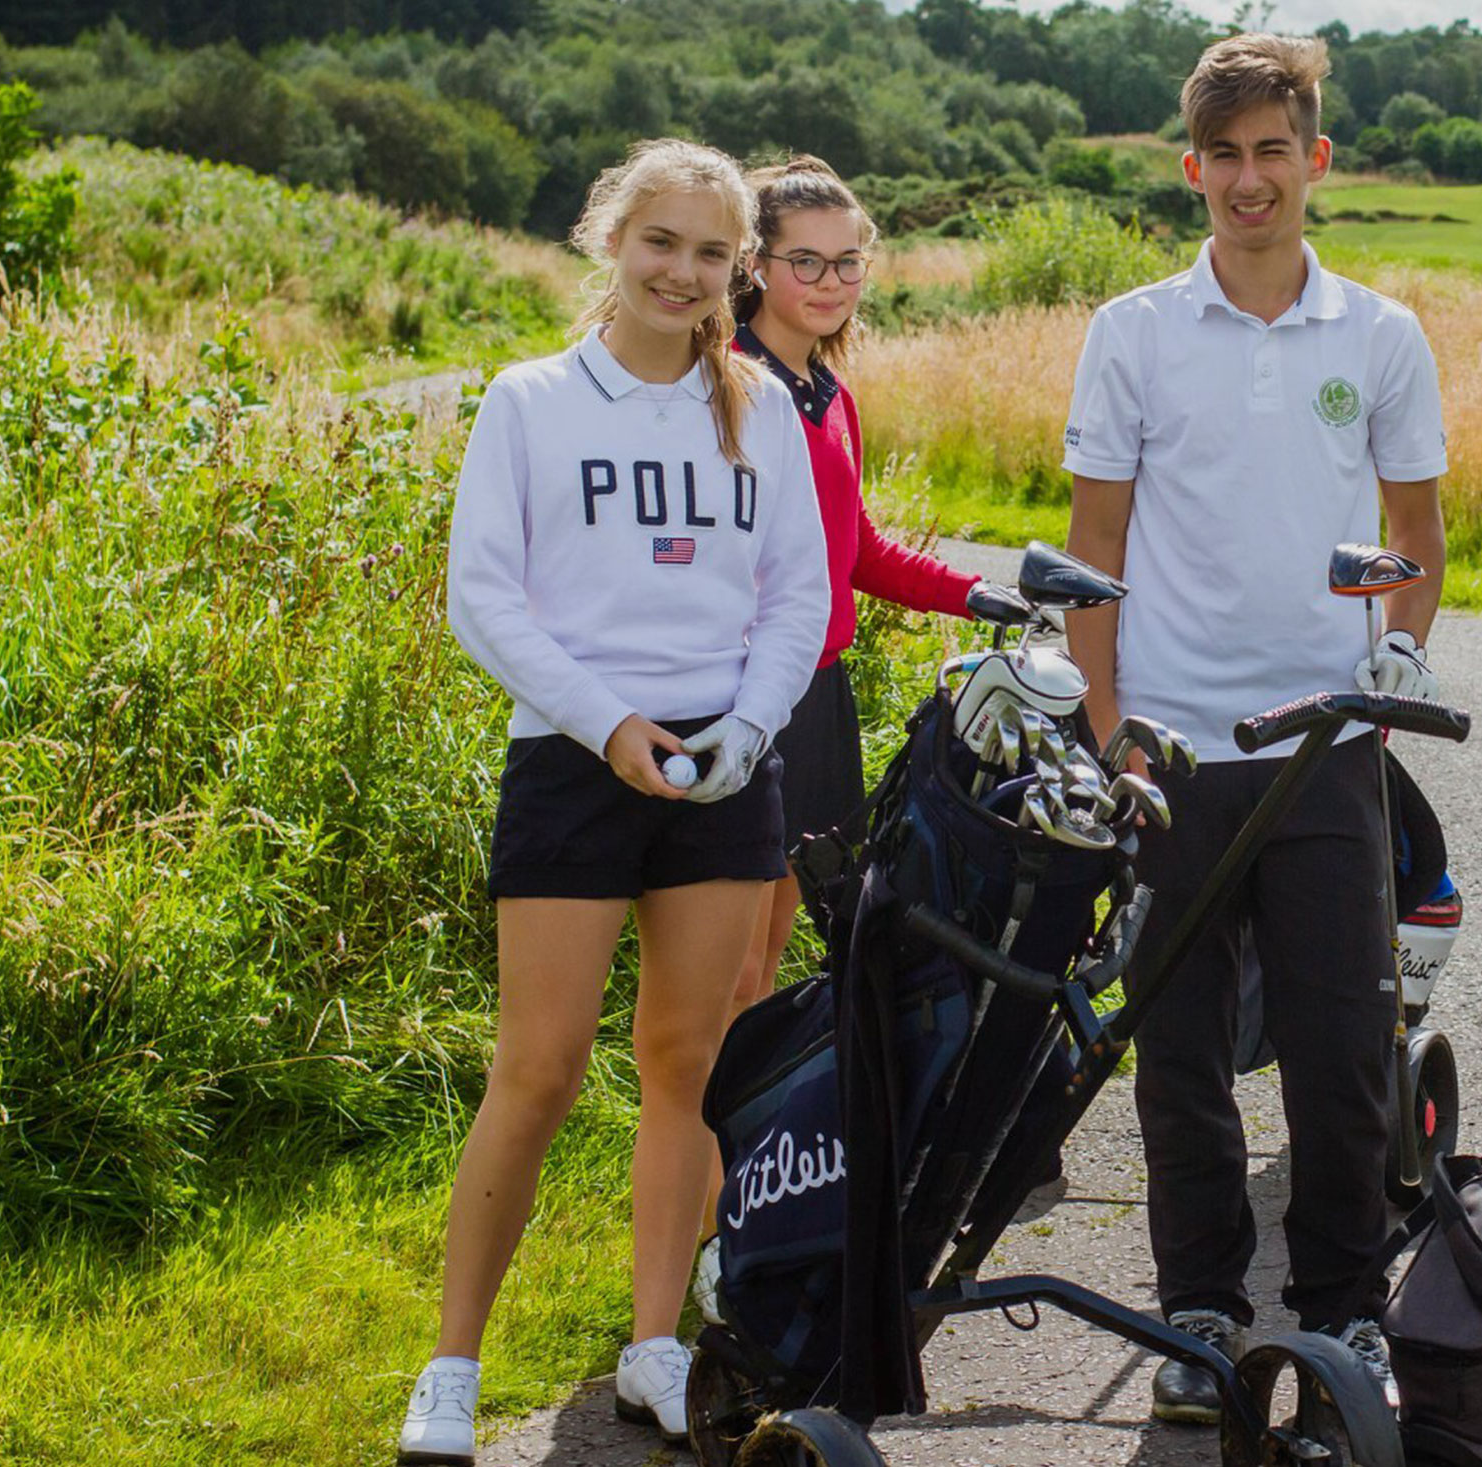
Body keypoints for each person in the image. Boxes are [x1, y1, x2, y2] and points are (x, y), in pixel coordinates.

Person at [397, 138, 830, 1464]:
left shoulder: (759, 407)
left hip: (722, 772)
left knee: (688, 1064)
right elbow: (484, 595)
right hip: (575, 764)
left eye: (711, 253)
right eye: (662, 243)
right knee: (536, 1065)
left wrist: (747, 728)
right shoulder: (533, 401)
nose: (683, 273)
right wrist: (608, 723)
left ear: (735, 269)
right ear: (610, 237)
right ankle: (453, 1364)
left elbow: (795, 595)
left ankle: (655, 1341)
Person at [1059, 31, 1449, 1422]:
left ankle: (1345, 1306)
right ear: (1192, 171)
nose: (1247, 178)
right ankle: (1202, 1304)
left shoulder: (1382, 333)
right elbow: (1093, 547)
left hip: (1327, 747)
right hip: (1171, 746)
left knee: (1345, 1044)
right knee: (1177, 1053)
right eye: (1221, 155)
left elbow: (1415, 537)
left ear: (1314, 160)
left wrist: (1394, 662)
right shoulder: (1136, 331)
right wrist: (1110, 730)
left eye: (1271, 150)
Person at [723, 154, 1003, 1024]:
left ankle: (749, 1150)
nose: (829, 280)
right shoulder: (727, 386)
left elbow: (856, 550)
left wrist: (980, 593)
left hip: (821, 690)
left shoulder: (826, 393)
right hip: (748, 690)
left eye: (848, 261)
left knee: (778, 941)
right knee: (735, 963)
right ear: (755, 266)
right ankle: (707, 1156)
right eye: (804, 260)